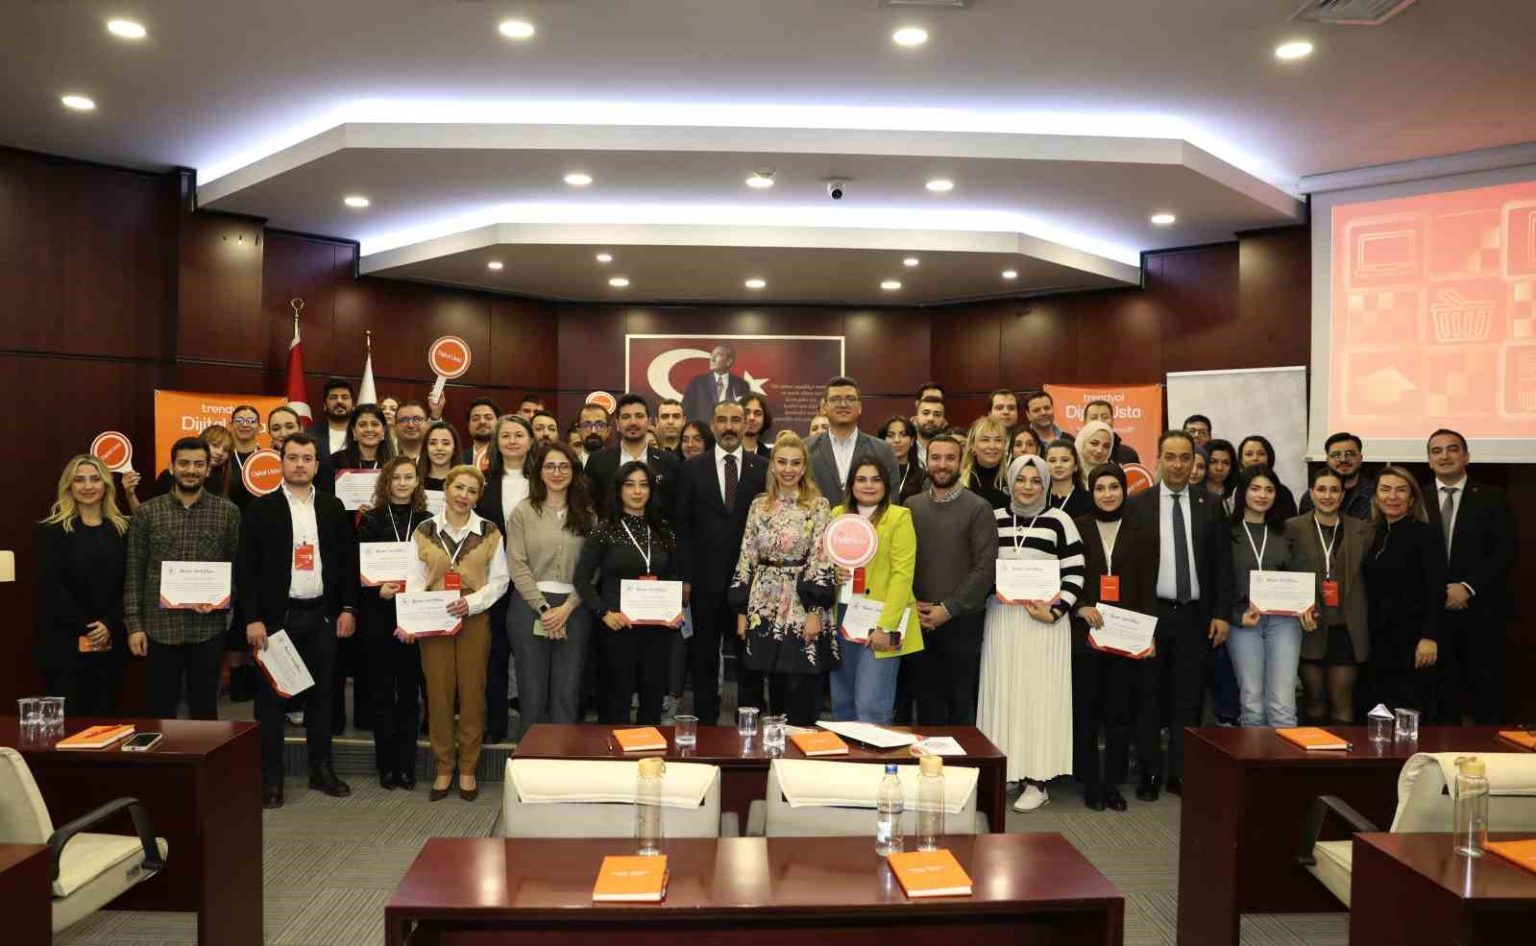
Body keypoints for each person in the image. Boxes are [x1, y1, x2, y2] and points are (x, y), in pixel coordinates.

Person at [237, 432, 357, 808]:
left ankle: (321, 770)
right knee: (272, 702)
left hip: (322, 616)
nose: (300, 464)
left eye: (307, 458)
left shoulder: (333, 507)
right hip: (276, 621)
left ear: (317, 465)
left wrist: (348, 609)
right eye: (293, 458)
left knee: (323, 698)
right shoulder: (261, 509)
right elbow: (246, 568)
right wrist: (252, 618)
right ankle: (271, 779)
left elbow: (347, 562)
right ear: (282, 463)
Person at [1125, 430, 1232, 799]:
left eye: (1185, 457)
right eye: (1170, 457)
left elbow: (1222, 564)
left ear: (1194, 462)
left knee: (1188, 698)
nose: (1177, 464)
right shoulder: (1137, 504)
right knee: (1147, 696)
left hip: (1194, 616)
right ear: (1158, 459)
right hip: (1151, 614)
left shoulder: (1211, 504)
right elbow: (1130, 567)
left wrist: (1221, 613)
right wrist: (1136, 619)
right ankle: (1150, 772)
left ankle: (1180, 772)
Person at [977, 454, 1084, 812]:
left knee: (1038, 698)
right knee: (1004, 692)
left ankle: (1038, 780)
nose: (1028, 487)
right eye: (1021, 479)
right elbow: (981, 568)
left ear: (1046, 484)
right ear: (1010, 482)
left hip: (1044, 624)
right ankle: (1009, 769)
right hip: (1003, 620)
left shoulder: (1060, 521)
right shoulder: (993, 519)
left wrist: (1055, 611)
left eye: (1036, 480)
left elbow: (1075, 572)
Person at [123, 437, 241, 720]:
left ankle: (204, 751)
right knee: (160, 707)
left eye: (198, 464)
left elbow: (237, 569)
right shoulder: (148, 512)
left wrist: (222, 598)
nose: (191, 470)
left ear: (208, 469)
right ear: (172, 466)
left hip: (208, 628)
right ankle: (162, 752)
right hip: (159, 628)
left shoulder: (227, 512)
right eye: (184, 463)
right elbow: (134, 571)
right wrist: (134, 626)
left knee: (205, 707)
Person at [414, 464, 510, 801]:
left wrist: (471, 603)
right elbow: (415, 576)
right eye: (458, 487)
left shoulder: (489, 531)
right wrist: (416, 612)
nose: (463, 495)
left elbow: (500, 580)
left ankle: (468, 767)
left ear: (478, 496)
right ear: (447, 489)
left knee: (472, 693)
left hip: (474, 618)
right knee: (438, 693)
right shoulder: (425, 529)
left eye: (471, 491)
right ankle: (443, 766)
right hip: (434, 618)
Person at [730, 434, 838, 725]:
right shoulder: (759, 504)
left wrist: (815, 611)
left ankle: (802, 740)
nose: (788, 469)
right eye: (782, 462)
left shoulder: (818, 505)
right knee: (772, 679)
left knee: (801, 680)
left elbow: (821, 557)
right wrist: (741, 609)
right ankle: (775, 744)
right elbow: (747, 554)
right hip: (763, 601)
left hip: (802, 600)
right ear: (772, 465)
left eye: (795, 463)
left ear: (804, 467)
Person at [1072, 464, 1159, 813]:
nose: (1107, 494)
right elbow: (1068, 575)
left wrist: (1150, 634)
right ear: (1091, 491)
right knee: (1087, 713)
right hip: (1087, 631)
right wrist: (1079, 606)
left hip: (1128, 635)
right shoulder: (1077, 526)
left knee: (1119, 713)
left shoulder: (1142, 529)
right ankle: (1091, 783)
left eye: (1114, 487)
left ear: (1124, 490)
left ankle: (1112, 784)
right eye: (1100, 488)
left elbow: (1147, 585)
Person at [675, 400, 769, 723]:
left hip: (751, 585)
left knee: (749, 660)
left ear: (746, 425)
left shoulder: (762, 468)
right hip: (703, 583)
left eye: (736, 420)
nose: (729, 426)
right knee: (703, 658)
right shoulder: (692, 468)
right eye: (723, 420)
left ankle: (748, 726)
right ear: (713, 425)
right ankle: (706, 727)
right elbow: (683, 526)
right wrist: (685, 578)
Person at [576, 461, 682, 724]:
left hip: (657, 628)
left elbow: (672, 574)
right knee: (616, 701)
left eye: (643, 485)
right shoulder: (605, 530)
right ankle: (614, 750)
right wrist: (604, 613)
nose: (637, 491)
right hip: (618, 626)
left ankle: (649, 750)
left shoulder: (663, 529)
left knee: (653, 699)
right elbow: (581, 579)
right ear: (619, 489)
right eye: (630, 485)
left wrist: (674, 611)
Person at [906, 435, 998, 725]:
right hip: (919, 620)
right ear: (926, 461)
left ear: (961, 462)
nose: (942, 464)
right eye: (936, 458)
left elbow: (985, 568)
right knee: (926, 704)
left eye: (950, 458)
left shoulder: (979, 508)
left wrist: (948, 609)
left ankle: (965, 757)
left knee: (960, 703)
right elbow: (902, 563)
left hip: (962, 622)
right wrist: (911, 604)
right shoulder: (911, 506)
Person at [1425, 429, 1514, 724]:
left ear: (1466, 456)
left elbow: (1504, 551)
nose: (1444, 456)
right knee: (1438, 700)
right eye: (1436, 451)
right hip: (1431, 614)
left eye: (1452, 449)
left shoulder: (1492, 497)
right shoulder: (1417, 498)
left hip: (1480, 611)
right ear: (1429, 460)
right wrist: (1439, 591)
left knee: (1481, 699)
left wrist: (1467, 587)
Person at [506, 441, 595, 735]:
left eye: (564, 466)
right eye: (550, 466)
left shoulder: (588, 515)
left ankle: (563, 756)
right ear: (539, 472)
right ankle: (532, 757)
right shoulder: (523, 512)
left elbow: (593, 568)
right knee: (532, 691)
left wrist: (567, 608)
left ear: (574, 471)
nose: (557, 473)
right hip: (529, 607)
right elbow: (517, 564)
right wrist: (544, 609)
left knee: (567, 691)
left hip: (575, 608)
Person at [37, 455, 130, 716]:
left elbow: (130, 583)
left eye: (95, 479)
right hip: (65, 642)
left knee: (108, 717)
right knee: (72, 719)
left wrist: (109, 623)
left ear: (106, 485)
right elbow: (52, 587)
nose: (88, 486)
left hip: (112, 638)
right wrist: (88, 627)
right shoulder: (52, 531)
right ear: (69, 486)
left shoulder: (124, 529)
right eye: (79, 480)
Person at [828, 457, 919, 723]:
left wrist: (886, 627)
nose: (868, 485)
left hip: (881, 618)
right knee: (841, 702)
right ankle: (847, 751)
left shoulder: (899, 517)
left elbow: (903, 575)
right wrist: (833, 573)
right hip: (842, 614)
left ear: (886, 484)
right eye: (861, 479)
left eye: (876, 479)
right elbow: (823, 562)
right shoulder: (836, 515)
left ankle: (874, 752)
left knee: (872, 704)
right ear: (851, 485)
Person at [355, 456, 428, 790]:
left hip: (414, 614)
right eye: (396, 477)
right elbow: (357, 565)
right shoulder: (371, 519)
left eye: (408, 477)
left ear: (417, 482)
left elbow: (434, 567)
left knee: (410, 695)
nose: (402, 483)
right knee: (382, 694)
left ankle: (406, 767)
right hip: (379, 614)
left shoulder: (427, 521)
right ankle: (386, 766)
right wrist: (376, 590)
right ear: (386, 481)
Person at [1225, 466, 1309, 728]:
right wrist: (1234, 616)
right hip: (1243, 623)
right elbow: (1216, 583)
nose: (1262, 495)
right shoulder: (1226, 532)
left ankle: (1283, 756)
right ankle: (1255, 756)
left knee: (1283, 704)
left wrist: (1307, 608)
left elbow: (1301, 574)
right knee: (1252, 702)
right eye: (1255, 489)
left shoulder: (1288, 532)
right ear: (1242, 492)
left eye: (1269, 490)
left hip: (1285, 622)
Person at [1288, 467, 1372, 724]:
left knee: (1341, 698)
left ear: (1343, 495)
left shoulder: (1364, 530)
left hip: (1347, 628)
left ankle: (1343, 750)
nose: (1327, 496)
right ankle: (1314, 750)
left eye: (1334, 490)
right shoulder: (1291, 529)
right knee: (1314, 699)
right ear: (1311, 493)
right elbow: (1282, 573)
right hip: (1308, 625)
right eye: (1321, 489)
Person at [1363, 465, 1444, 716]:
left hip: (1413, 641)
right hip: (1376, 640)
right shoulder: (1372, 534)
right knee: (1379, 709)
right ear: (1376, 497)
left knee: (1409, 711)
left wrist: (1429, 636)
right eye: (1385, 490)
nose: (1392, 496)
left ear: (1412, 498)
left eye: (1401, 490)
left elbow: (1435, 589)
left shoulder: (1426, 534)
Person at [476, 414, 535, 743]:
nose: (512, 441)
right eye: (505, 436)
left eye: (519, 435)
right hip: (495, 578)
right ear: (496, 443)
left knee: (531, 655)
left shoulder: (543, 480)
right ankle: (495, 725)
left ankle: (534, 726)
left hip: (535, 579)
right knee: (495, 653)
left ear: (530, 441)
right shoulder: (484, 482)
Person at [585, 393, 681, 522]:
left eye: (639, 416)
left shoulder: (669, 462)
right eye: (626, 417)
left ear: (649, 422)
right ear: (617, 424)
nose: (633, 422)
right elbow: (588, 505)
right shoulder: (598, 461)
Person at [806, 376, 899, 503]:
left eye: (850, 399)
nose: (843, 404)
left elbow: (891, 500)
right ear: (824, 407)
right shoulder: (806, 449)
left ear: (860, 407)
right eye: (835, 399)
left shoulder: (883, 451)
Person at [1298, 432, 1375, 521]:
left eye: (1350, 454)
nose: (1343, 459)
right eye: (1336, 455)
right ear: (1327, 460)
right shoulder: (1311, 497)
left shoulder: (1375, 493)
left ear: (1360, 458)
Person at [326, 404, 394, 495]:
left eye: (375, 424)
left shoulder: (394, 464)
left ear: (383, 431)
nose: (369, 429)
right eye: (362, 425)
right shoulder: (335, 461)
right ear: (354, 431)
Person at [682, 344, 751, 423]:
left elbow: (744, 414)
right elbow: (685, 412)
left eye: (718, 355)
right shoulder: (697, 383)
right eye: (712, 355)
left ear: (729, 361)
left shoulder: (742, 385)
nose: (712, 358)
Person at [1236, 435, 1297, 519]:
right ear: (1241, 460)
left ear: (1269, 458)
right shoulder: (1233, 489)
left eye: (1261, 454)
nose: (1255, 458)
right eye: (1249, 454)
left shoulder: (1283, 493)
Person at [961, 416, 1010, 508]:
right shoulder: (959, 481)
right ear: (972, 446)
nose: (992, 446)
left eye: (998, 440)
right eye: (985, 440)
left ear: (1005, 446)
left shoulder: (1012, 480)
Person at [879, 415, 927, 504]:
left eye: (903, 435)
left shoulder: (922, 476)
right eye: (890, 435)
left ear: (912, 440)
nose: (897, 440)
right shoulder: (874, 472)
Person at [1044, 438, 1092, 519]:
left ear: (1076, 466)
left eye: (1065, 460)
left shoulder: (1088, 500)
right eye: (1052, 460)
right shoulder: (1037, 498)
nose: (1058, 465)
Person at [1082, 399, 1140, 463]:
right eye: (1094, 418)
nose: (1100, 421)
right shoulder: (1075, 452)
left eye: (1105, 417)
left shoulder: (1128, 455)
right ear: (1085, 422)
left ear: (1112, 421)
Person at [314, 378, 356, 463]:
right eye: (333, 397)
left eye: (345, 397)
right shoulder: (312, 435)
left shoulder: (362, 434)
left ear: (353, 405)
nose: (339, 401)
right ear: (324, 406)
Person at [460, 398, 502, 471]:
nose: (482, 422)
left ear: (498, 423)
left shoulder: (508, 457)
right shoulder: (458, 459)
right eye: (475, 419)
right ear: (468, 425)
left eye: (488, 418)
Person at [420, 421, 459, 494]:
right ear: (426, 448)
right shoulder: (415, 482)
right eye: (432, 443)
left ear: (455, 448)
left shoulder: (465, 482)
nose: (439, 448)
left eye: (446, 443)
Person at [1204, 439, 1238, 514]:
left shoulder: (1236, 495)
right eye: (1213, 462)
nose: (1219, 468)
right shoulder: (1193, 493)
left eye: (1226, 463)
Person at [913, 395, 946, 468]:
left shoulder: (950, 449)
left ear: (944, 421)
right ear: (916, 418)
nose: (931, 419)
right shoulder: (907, 448)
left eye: (937, 414)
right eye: (926, 413)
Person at [739, 392, 774, 457]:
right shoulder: (724, 452)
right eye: (746, 412)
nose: (751, 418)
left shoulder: (770, 457)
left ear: (765, 419)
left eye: (757, 413)